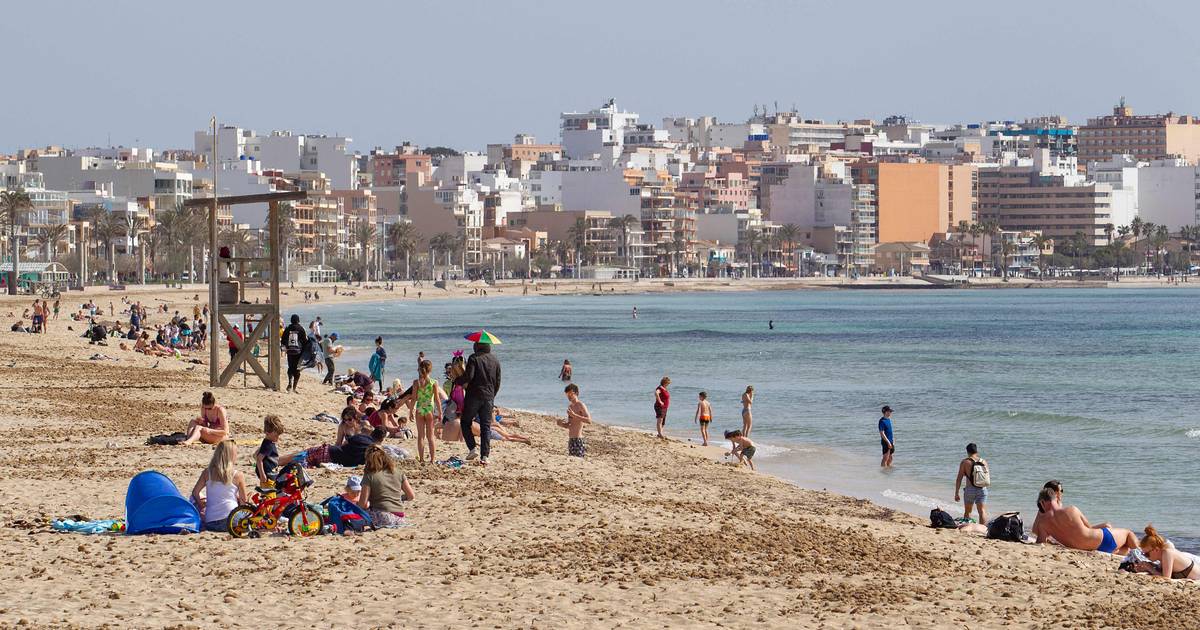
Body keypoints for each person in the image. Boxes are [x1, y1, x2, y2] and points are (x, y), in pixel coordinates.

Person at [1032, 487, 1138, 554]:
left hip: (1091, 549)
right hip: (1102, 540)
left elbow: (1040, 543)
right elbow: (1089, 527)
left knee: (1126, 550)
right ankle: (1142, 556)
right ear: (1056, 498)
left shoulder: (1043, 524)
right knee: (1128, 533)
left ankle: (1139, 553)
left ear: (1042, 502)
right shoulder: (1071, 510)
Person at [455, 341, 502, 465]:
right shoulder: (495, 360)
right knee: (486, 427)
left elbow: (469, 377)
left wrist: (457, 380)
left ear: (477, 347)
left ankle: (472, 448)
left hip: (474, 396)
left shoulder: (474, 358)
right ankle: (485, 456)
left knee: (465, 422)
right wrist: (492, 395)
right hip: (489, 397)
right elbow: (498, 382)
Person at [189, 440, 249, 532]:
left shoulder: (207, 472)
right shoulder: (238, 475)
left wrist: (202, 507)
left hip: (211, 521)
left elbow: (195, 492)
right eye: (236, 452)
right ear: (231, 455)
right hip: (230, 520)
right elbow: (243, 502)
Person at [280, 413, 375, 468]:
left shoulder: (359, 436)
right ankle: (278, 461)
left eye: (349, 419)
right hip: (333, 459)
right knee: (301, 458)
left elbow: (342, 445)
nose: (347, 422)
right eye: (345, 420)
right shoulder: (369, 454)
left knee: (302, 454)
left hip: (329, 453)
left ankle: (276, 461)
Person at [357, 445, 414, 528]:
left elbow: (363, 503)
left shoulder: (370, 475)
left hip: (382, 515)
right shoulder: (398, 473)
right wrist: (399, 498)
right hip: (400, 517)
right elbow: (411, 496)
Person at [411, 359, 445, 463]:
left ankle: (421, 459)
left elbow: (414, 398)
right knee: (430, 437)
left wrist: (410, 411)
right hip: (429, 410)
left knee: (421, 436)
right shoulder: (434, 382)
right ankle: (432, 459)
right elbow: (437, 400)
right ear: (430, 370)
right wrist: (440, 413)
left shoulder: (416, 382)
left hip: (420, 409)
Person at [954, 443, 989, 524]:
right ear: (976, 451)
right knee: (982, 511)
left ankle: (967, 527)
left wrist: (956, 492)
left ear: (967, 451)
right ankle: (983, 530)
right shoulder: (984, 461)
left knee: (968, 512)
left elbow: (959, 478)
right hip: (982, 489)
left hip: (970, 490)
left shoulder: (965, 462)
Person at [558, 383, 591, 457]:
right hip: (571, 440)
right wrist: (561, 424)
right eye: (567, 395)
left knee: (579, 461)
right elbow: (570, 425)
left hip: (578, 440)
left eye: (570, 394)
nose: (569, 396)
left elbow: (589, 420)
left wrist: (574, 415)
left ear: (576, 393)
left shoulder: (580, 405)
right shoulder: (570, 406)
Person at [254, 415, 284, 486]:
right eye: (275, 436)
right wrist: (262, 474)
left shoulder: (270, 443)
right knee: (269, 494)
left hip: (271, 474)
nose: (277, 438)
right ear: (267, 433)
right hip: (267, 476)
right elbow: (259, 459)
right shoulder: (267, 445)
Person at [282, 314, 307, 392]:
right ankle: (294, 388)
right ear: (298, 320)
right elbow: (305, 341)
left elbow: (283, 340)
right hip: (299, 352)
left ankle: (289, 382)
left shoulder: (288, 328)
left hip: (290, 352)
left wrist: (286, 348)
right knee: (297, 369)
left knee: (290, 367)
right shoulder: (301, 328)